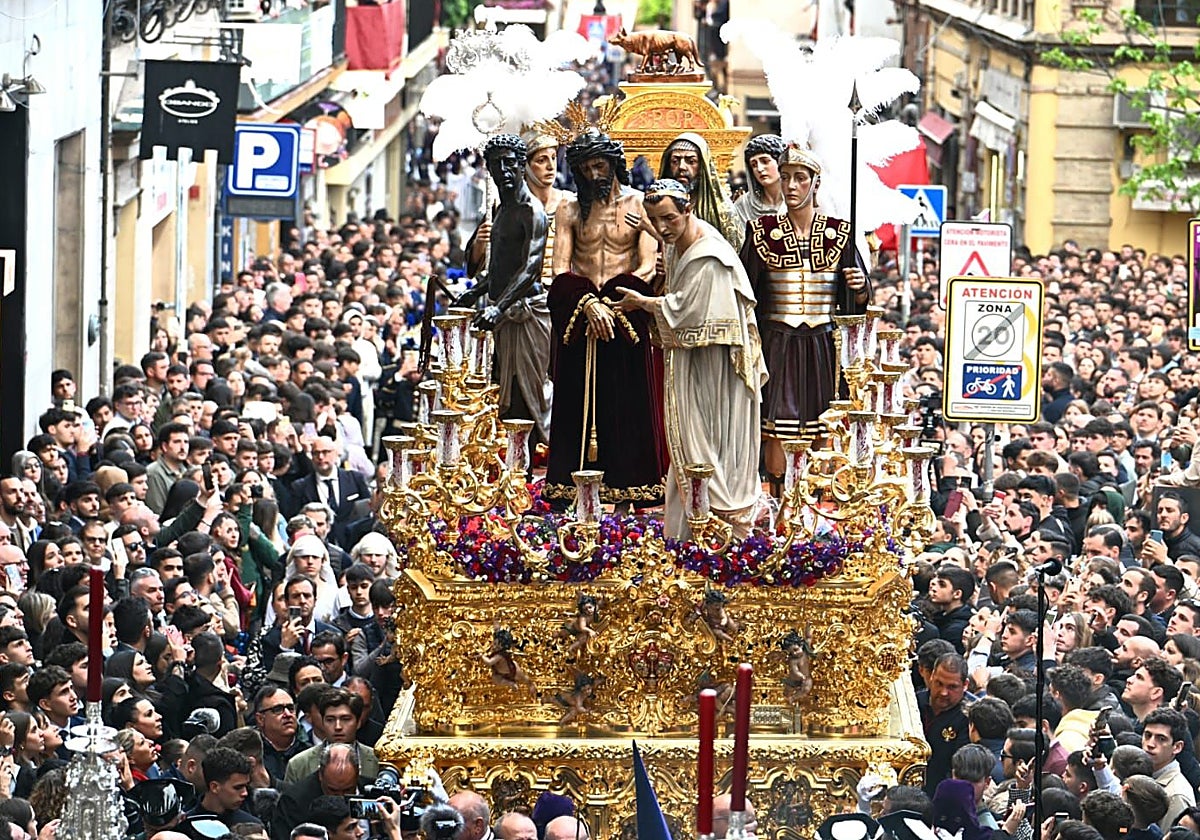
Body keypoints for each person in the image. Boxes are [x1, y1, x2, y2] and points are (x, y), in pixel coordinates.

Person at [615, 179, 767, 538]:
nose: (663, 228)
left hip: (716, 372)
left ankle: (723, 533)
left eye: (669, 218)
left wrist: (644, 303)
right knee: (687, 445)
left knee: (707, 446)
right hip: (692, 363)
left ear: (689, 209)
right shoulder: (677, 245)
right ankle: (685, 534)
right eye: (656, 220)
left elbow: (690, 315)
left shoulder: (709, 257)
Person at [545, 132, 666, 507]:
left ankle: (629, 488)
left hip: (624, 315)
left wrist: (615, 302)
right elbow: (559, 268)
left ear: (614, 164)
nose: (593, 174)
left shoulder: (639, 205)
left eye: (599, 165)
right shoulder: (569, 210)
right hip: (581, 318)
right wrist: (586, 303)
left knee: (627, 405)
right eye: (585, 169)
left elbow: (647, 266)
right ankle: (573, 490)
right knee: (574, 405)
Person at [739, 143, 869, 484]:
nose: (791, 186)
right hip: (776, 342)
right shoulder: (761, 232)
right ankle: (778, 494)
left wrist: (859, 287)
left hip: (822, 345)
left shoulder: (840, 233)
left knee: (824, 426)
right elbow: (745, 291)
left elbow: (855, 303)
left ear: (815, 183)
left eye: (800, 178)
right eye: (785, 178)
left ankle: (817, 493)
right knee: (776, 428)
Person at [461, 134, 553, 443]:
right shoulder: (500, 209)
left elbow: (529, 269)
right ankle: (513, 457)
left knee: (530, 392)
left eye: (510, 163)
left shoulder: (532, 210)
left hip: (527, 315)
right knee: (504, 389)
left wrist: (498, 308)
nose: (503, 170)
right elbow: (501, 268)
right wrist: (476, 292)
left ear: (522, 165)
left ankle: (538, 458)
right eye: (496, 164)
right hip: (502, 315)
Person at [657, 132, 744, 249]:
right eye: (675, 161)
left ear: (702, 167)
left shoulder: (722, 211)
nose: (681, 167)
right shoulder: (658, 206)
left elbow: (734, 253)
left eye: (691, 161)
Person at [521, 130, 574, 288]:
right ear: (526, 165)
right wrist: (481, 242)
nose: (551, 166)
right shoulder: (511, 207)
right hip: (523, 294)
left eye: (553, 158)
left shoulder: (570, 202)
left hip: (563, 292)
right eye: (541, 160)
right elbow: (477, 266)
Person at [732, 134, 786, 226]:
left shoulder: (797, 200)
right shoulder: (743, 205)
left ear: (780, 162)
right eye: (754, 165)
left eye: (765, 161)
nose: (760, 169)